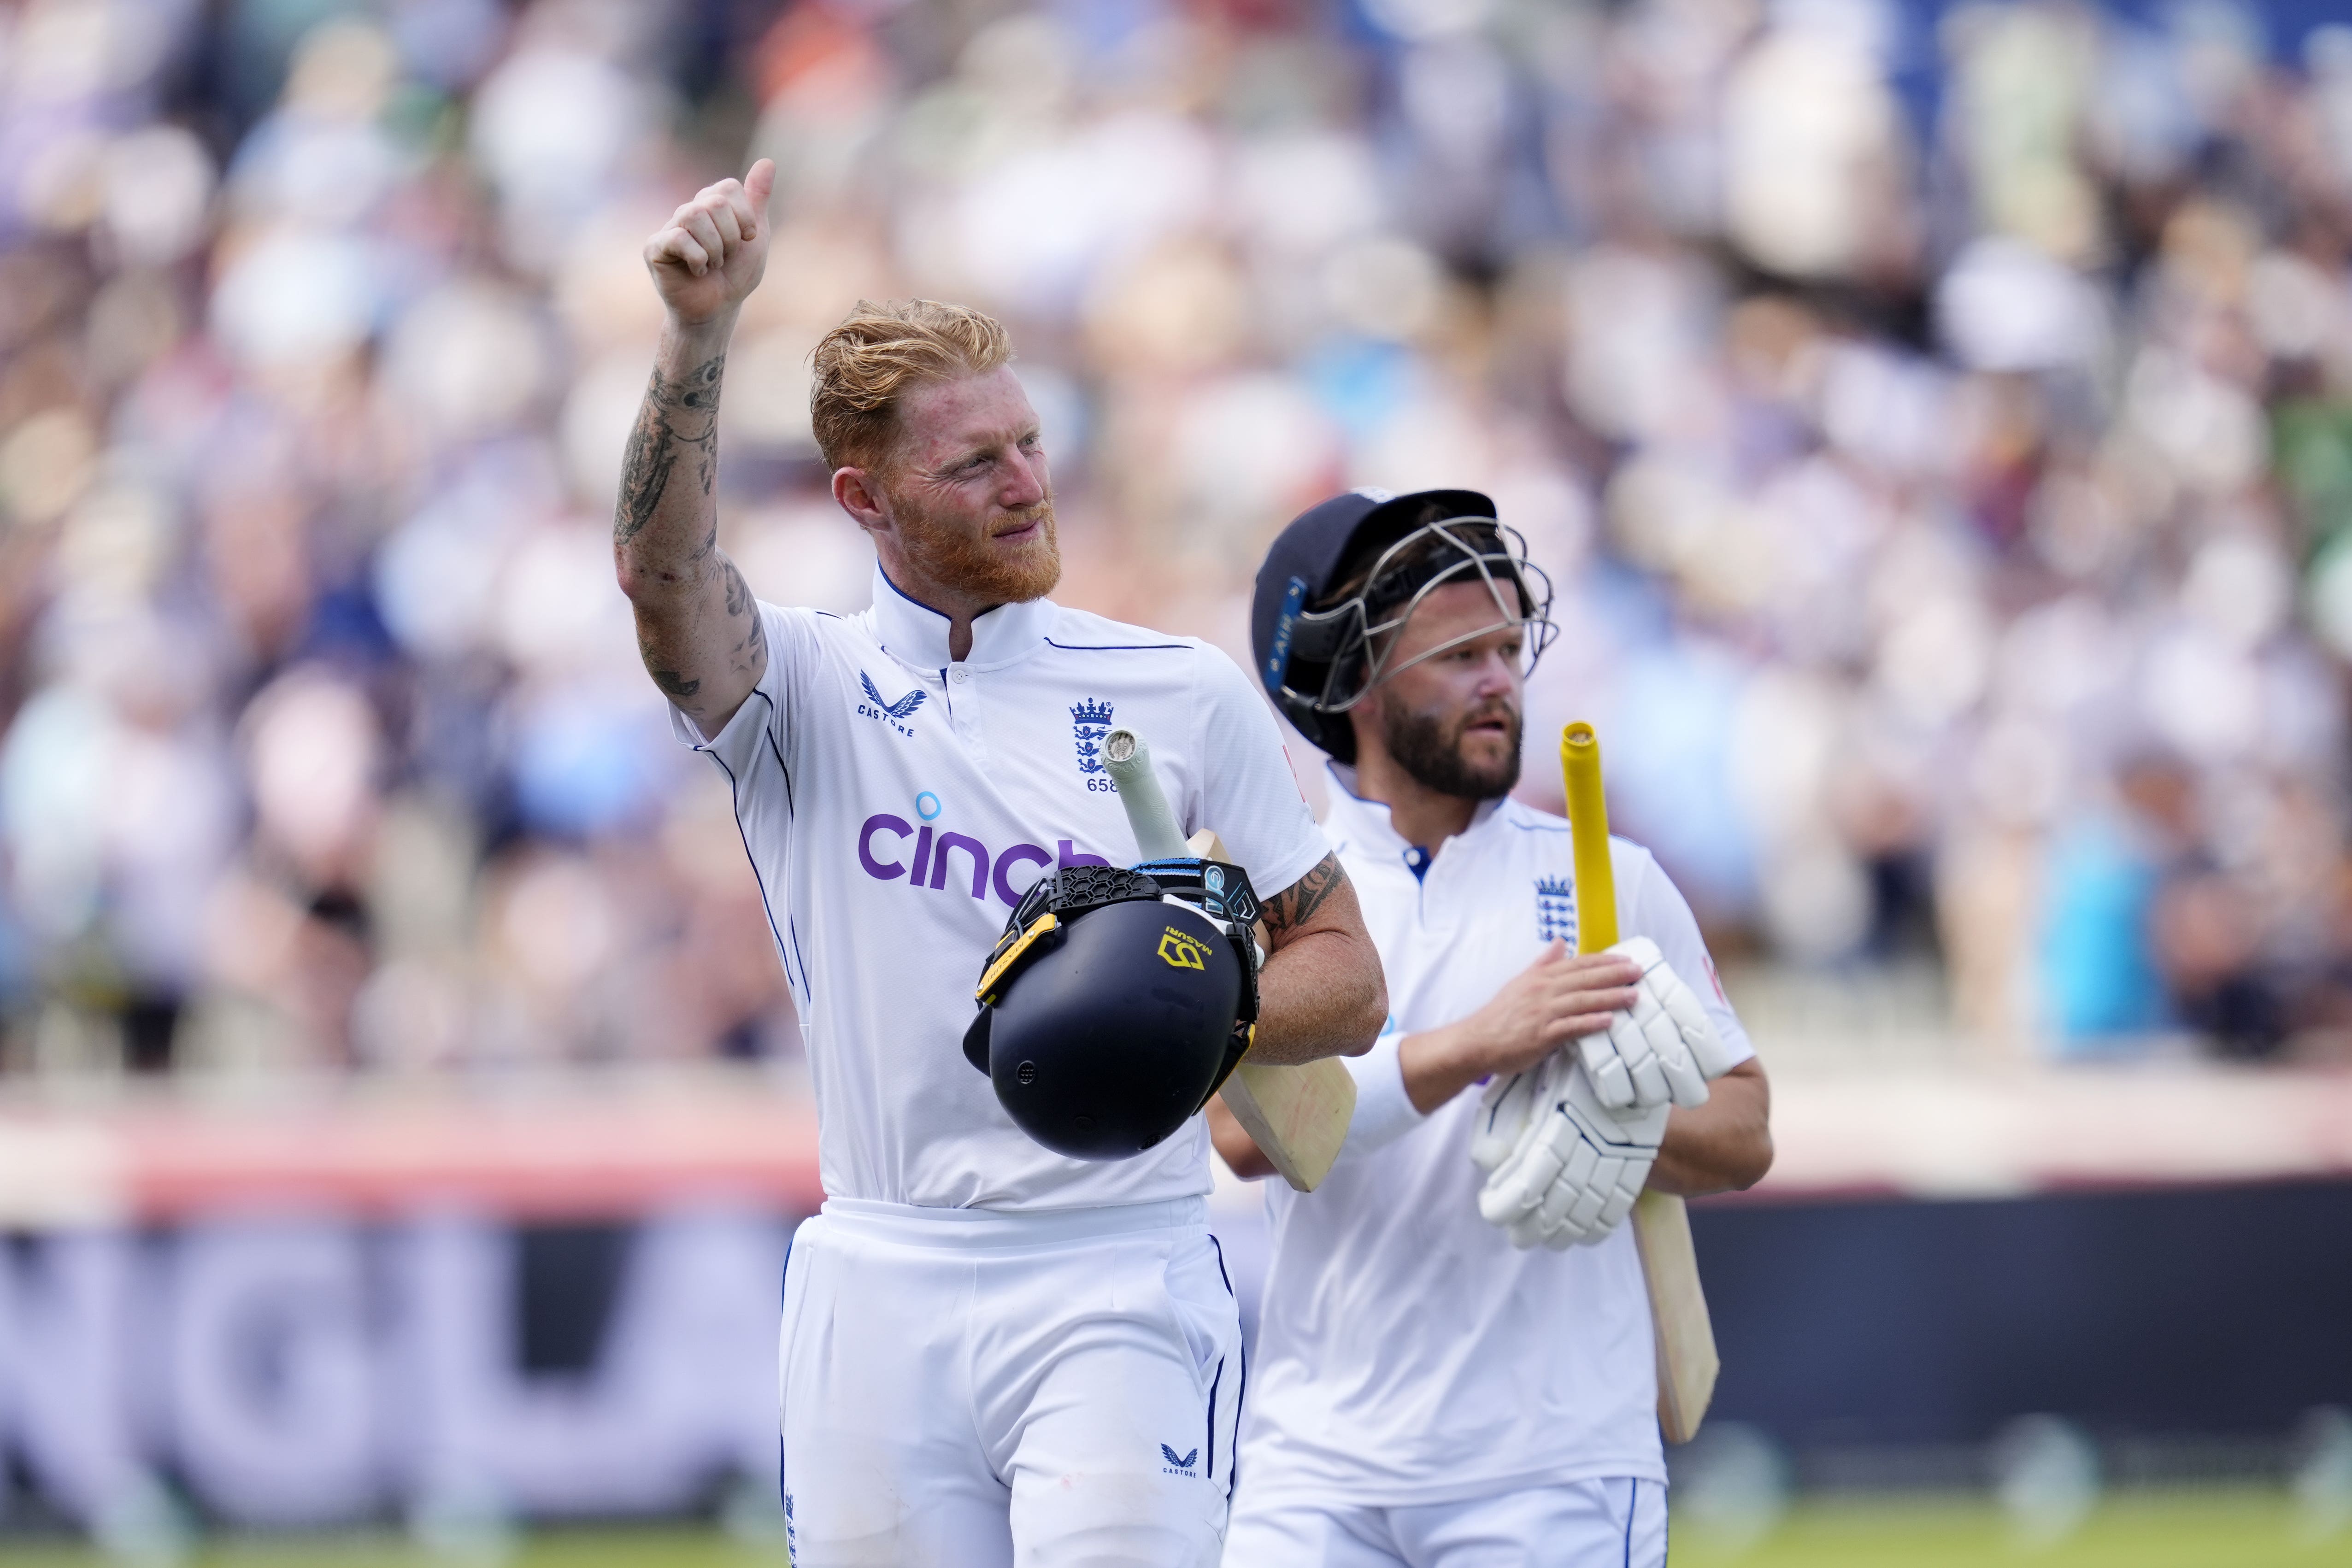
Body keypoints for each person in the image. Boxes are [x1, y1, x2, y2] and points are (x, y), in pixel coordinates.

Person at [614, 162, 1388, 1567]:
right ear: (866, 497)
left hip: (1121, 1271)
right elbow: (664, 584)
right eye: (975, 465)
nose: (1029, 484)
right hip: (878, 1278)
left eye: (1031, 442)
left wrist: (1199, 1003)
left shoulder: (1180, 688)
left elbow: (1352, 978)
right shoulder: (800, 686)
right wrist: (696, 340)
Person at [1213, 488, 1772, 1567]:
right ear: (1358, 686)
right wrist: (1483, 1044)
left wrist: (1614, 1132)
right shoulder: (1279, 890)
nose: (1499, 684)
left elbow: (1745, 1131)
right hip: (1311, 1465)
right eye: (1458, 656)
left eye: (1509, 650)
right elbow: (1251, 1138)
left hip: (1552, 1465)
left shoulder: (1610, 877)